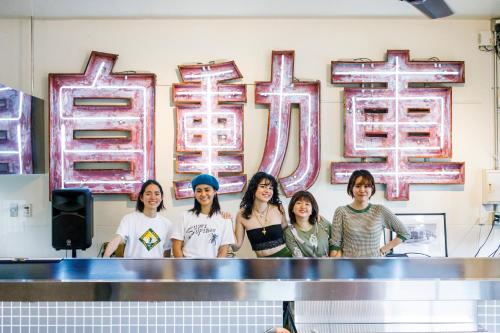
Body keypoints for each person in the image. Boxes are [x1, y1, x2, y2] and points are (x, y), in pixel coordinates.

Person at [331, 169, 410, 257]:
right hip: (348, 266)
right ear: (351, 188)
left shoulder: (380, 210)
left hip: (374, 265)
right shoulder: (341, 211)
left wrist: (383, 250)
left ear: (372, 188)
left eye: (366, 186)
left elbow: (405, 233)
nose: (362, 190)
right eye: (358, 186)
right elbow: (335, 244)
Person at [103, 179, 173, 258]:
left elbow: (167, 251)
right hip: (131, 269)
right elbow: (117, 239)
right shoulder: (129, 219)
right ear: (141, 197)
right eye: (148, 194)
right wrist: (105, 258)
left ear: (161, 197)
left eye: (157, 194)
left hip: (156, 269)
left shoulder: (167, 224)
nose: (153, 197)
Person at [172, 174, 234, 258]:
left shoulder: (225, 219)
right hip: (187, 268)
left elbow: (223, 249)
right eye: (199, 191)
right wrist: (184, 268)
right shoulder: (184, 216)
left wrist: (216, 269)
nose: (203, 194)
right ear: (194, 193)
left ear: (214, 192)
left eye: (207, 190)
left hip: (213, 268)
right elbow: (176, 246)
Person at [234, 172, 292, 257]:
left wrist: (313, 219)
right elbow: (236, 247)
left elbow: (288, 233)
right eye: (263, 186)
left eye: (270, 188)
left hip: (285, 259)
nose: (267, 191)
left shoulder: (278, 208)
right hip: (261, 265)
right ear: (254, 188)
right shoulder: (242, 214)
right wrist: (226, 224)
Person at [284, 191, 335, 257]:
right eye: (298, 203)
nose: (303, 207)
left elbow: (336, 244)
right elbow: (297, 257)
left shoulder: (322, 223)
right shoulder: (289, 232)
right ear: (292, 209)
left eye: (307, 204)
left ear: (312, 210)